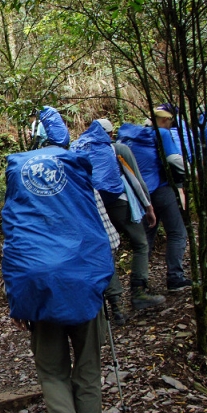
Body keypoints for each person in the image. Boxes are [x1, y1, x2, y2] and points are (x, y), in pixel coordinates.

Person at [2, 145, 118, 413]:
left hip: (41, 290)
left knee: (53, 374)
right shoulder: (82, 188)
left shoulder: (20, 198)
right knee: (88, 370)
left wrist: (18, 301)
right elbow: (110, 239)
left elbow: (15, 247)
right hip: (84, 287)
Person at [72, 119, 165, 325]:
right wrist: (148, 207)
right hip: (119, 203)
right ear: (110, 133)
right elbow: (135, 179)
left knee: (106, 250)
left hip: (93, 206)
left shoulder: (78, 148)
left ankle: (117, 306)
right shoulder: (119, 148)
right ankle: (138, 292)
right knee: (140, 243)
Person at [117, 107, 192, 293]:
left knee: (146, 237)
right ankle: (175, 278)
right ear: (166, 121)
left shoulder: (129, 137)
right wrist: (193, 173)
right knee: (177, 232)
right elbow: (174, 159)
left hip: (139, 194)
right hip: (160, 189)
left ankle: (139, 284)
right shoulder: (162, 134)